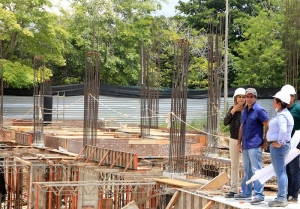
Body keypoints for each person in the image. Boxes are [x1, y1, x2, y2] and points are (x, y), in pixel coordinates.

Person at [234, 88, 269, 205]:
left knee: (257, 170)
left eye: (251, 97)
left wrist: (265, 140)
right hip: (246, 145)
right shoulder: (245, 110)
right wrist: (239, 143)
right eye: (247, 97)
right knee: (246, 170)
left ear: (255, 98)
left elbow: (267, 125)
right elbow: (241, 127)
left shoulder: (259, 110)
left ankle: (259, 195)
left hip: (255, 145)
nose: (249, 99)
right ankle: (246, 192)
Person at [266, 91, 294, 207]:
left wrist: (279, 143)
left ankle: (282, 198)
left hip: (279, 147)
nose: (273, 103)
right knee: (282, 172)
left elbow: (283, 130)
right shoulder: (284, 113)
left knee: (280, 172)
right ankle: (282, 196)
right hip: (282, 145)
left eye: (274, 101)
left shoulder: (282, 115)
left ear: (279, 103)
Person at [223, 88, 246, 198]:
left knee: (247, 166)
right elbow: (225, 122)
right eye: (239, 97)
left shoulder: (248, 109)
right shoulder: (232, 109)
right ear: (236, 98)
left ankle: (246, 189)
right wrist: (233, 111)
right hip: (233, 139)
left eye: (243, 97)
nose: (241, 99)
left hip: (246, 140)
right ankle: (234, 189)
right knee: (234, 165)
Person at [281, 84, 300, 204]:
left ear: (293, 97)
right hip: (284, 144)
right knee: (285, 170)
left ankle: (294, 195)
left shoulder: (297, 109)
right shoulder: (283, 109)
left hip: (295, 144)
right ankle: (286, 193)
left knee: (294, 170)